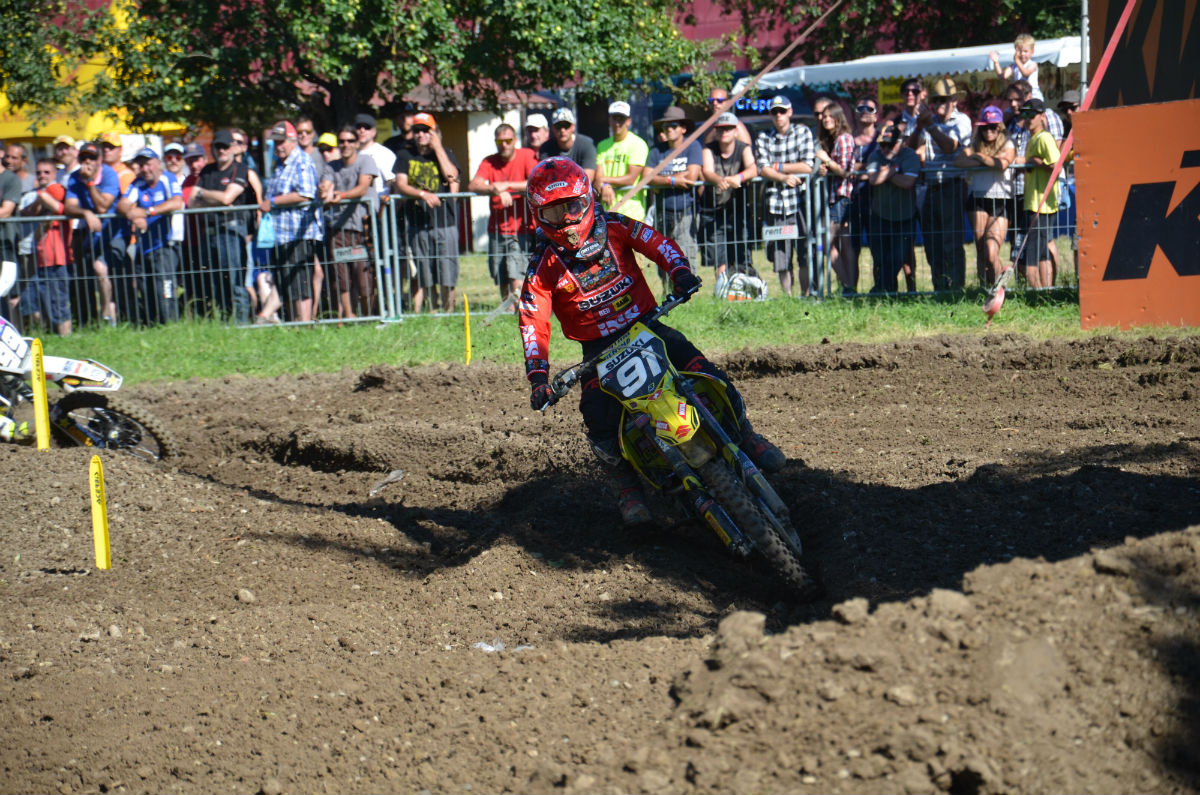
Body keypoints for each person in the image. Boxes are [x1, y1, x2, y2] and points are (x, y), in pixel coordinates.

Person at [518, 156, 785, 524]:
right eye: (553, 213)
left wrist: (679, 271)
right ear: (538, 217)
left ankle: (748, 436)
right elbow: (532, 320)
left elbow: (657, 242)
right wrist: (537, 377)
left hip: (648, 325)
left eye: (572, 206)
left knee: (706, 372)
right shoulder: (542, 265)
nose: (565, 220)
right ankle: (627, 488)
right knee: (596, 419)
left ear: (588, 199)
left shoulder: (614, 226)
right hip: (598, 352)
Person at [391, 112, 461, 313]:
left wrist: (437, 147)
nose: (421, 135)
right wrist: (422, 194)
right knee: (425, 274)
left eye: (425, 130)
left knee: (447, 273)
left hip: (445, 223)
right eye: (417, 130)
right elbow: (401, 184)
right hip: (417, 224)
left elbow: (451, 176)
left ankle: (448, 313)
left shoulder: (445, 152)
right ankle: (432, 312)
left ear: (434, 132)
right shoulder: (405, 155)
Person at [910, 77, 971, 290]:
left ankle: (955, 288)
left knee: (950, 242)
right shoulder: (929, 121)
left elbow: (949, 147)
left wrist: (929, 126)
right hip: (930, 188)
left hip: (952, 185)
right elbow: (910, 148)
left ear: (954, 100)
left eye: (945, 100)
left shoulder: (961, 121)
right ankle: (939, 287)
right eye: (937, 101)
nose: (940, 105)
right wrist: (918, 127)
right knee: (932, 243)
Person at [258, 120, 322, 322]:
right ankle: (293, 323)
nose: (278, 147)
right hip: (282, 234)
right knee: (288, 281)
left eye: (282, 142)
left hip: (299, 232)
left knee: (300, 282)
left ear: (293, 141)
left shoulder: (301, 161)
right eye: (275, 143)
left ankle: (304, 325)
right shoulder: (279, 163)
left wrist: (273, 202)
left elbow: (306, 194)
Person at [467, 122, 538, 303]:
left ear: (515, 140)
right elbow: (473, 185)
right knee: (501, 276)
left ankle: (520, 312)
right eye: (500, 142)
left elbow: (534, 182)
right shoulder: (489, 161)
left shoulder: (527, 155)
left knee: (516, 275)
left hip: (520, 230)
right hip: (497, 229)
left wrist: (508, 186)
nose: (504, 145)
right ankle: (507, 311)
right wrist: (493, 189)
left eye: (507, 140)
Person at [190, 129, 254, 321]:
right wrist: (211, 197)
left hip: (232, 230)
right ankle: (225, 324)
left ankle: (242, 325)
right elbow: (192, 201)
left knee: (235, 282)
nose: (221, 150)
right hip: (209, 232)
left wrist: (204, 194)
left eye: (225, 146)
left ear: (233, 148)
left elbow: (228, 198)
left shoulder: (240, 169)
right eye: (218, 146)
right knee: (216, 283)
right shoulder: (207, 171)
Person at [756, 95, 816, 297]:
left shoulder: (802, 132)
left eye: (782, 111)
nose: (779, 115)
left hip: (801, 201)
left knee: (805, 251)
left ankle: (806, 294)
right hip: (776, 203)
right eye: (775, 112)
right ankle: (788, 297)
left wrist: (778, 167)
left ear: (790, 112)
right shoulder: (764, 137)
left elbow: (807, 166)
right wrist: (784, 177)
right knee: (781, 254)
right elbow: (762, 168)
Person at [117, 147, 183, 324]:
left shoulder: (167, 178)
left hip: (164, 245)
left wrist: (147, 212)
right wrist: (133, 214)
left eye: (148, 164)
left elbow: (177, 202)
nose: (145, 169)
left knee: (165, 288)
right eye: (141, 164)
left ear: (158, 163)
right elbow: (122, 204)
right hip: (143, 247)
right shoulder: (137, 183)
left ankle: (170, 326)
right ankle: (152, 326)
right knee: (146, 289)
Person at [954, 105, 1015, 287]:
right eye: (985, 127)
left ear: (1000, 127)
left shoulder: (1007, 143)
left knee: (991, 248)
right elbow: (958, 161)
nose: (989, 131)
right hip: (978, 199)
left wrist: (979, 158)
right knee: (980, 247)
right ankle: (983, 288)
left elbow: (1002, 163)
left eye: (993, 127)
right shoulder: (974, 144)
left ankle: (999, 288)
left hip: (1001, 199)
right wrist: (982, 158)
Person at [324, 125, 381, 319]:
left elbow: (363, 187)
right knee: (341, 276)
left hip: (361, 228)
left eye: (350, 141)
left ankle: (367, 315)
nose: (345, 144)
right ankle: (349, 315)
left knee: (363, 275)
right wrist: (325, 190)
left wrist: (342, 196)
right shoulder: (332, 166)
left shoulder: (366, 161)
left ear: (357, 143)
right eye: (342, 141)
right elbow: (326, 184)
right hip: (338, 229)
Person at [63, 142, 120, 326]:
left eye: (92, 157)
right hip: (90, 235)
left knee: (101, 269)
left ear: (100, 160)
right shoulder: (73, 177)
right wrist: (86, 213)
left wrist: (89, 183)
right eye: (84, 158)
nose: (88, 161)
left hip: (114, 232)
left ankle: (107, 315)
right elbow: (69, 206)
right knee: (88, 274)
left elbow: (103, 206)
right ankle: (93, 319)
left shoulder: (110, 174)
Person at [700, 112, 757, 295]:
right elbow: (707, 170)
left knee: (741, 254)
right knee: (720, 257)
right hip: (713, 210)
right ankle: (724, 293)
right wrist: (718, 180)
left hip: (738, 209)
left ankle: (742, 292)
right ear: (715, 132)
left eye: (728, 128)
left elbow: (753, 168)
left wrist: (738, 177)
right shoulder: (709, 149)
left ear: (735, 131)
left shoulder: (744, 148)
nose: (724, 132)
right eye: (721, 129)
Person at [17, 158, 72, 335]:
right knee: (29, 300)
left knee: (59, 304)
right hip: (40, 256)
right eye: (39, 172)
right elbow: (28, 211)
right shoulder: (36, 193)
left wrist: (39, 202)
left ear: (55, 174)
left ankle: (66, 338)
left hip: (57, 257)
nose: (42, 176)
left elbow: (51, 204)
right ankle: (46, 334)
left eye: (46, 172)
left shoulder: (56, 188)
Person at [864, 123, 921, 293]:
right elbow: (873, 180)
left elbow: (908, 183)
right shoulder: (875, 155)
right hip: (879, 216)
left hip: (905, 217)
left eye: (891, 144)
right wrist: (894, 171)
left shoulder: (910, 155)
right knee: (880, 259)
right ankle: (887, 294)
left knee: (898, 258)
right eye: (883, 144)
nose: (886, 148)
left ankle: (880, 290)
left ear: (900, 142)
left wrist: (887, 173)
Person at [645, 106, 702, 269]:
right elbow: (647, 177)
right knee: (664, 255)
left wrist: (660, 179)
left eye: (674, 125)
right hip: (663, 212)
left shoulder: (693, 146)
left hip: (687, 211)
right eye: (665, 126)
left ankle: (688, 291)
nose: (669, 129)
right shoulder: (657, 151)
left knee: (685, 255)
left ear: (683, 128)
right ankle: (667, 291)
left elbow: (691, 177)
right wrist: (673, 180)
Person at [815, 102, 858, 294]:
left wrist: (826, 160)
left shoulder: (844, 139)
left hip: (842, 197)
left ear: (838, 117)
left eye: (829, 116)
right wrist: (827, 168)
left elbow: (846, 171)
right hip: (837, 196)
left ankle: (848, 285)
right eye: (823, 116)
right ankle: (849, 287)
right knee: (843, 242)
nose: (825, 119)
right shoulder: (836, 140)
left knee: (826, 242)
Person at [1017, 98, 1060, 288]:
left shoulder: (1044, 138)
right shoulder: (1033, 138)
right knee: (1041, 252)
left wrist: (1037, 163)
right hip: (1035, 203)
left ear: (1042, 116)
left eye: (1031, 114)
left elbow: (1056, 167)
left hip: (1041, 205)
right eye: (1024, 114)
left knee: (1033, 255)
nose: (1027, 119)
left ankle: (1036, 296)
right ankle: (1045, 292)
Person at [595, 100, 649, 221]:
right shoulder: (602, 145)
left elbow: (631, 178)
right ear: (609, 120)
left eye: (621, 119)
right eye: (615, 118)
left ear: (629, 121)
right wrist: (604, 184)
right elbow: (598, 177)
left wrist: (604, 181)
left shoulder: (637, 144)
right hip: (609, 213)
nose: (617, 123)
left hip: (632, 214)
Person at [538, 108, 597, 182]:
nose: (562, 130)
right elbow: (546, 178)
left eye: (566, 125)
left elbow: (587, 179)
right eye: (558, 126)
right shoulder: (545, 149)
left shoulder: (587, 144)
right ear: (552, 128)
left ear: (573, 127)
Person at [354, 113, 395, 195]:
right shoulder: (351, 153)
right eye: (358, 127)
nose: (362, 130)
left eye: (367, 127)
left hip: (379, 202)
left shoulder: (384, 153)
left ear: (374, 132)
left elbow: (392, 181)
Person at [991, 34, 1042, 100]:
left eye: (1025, 51)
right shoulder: (1014, 66)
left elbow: (1026, 73)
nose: (1022, 54)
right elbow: (1003, 76)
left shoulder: (1032, 64)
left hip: (1033, 94)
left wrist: (1017, 60)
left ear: (1032, 52)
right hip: (1019, 94)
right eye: (1019, 51)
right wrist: (996, 63)